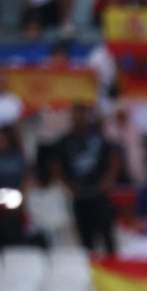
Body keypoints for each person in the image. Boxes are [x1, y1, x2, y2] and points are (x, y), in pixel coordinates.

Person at [59, 104, 120, 257]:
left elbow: (114, 158)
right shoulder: (65, 141)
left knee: (107, 237)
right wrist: (68, 185)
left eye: (82, 114)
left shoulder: (99, 138)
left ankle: (114, 273)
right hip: (80, 196)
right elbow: (57, 166)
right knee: (86, 241)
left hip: (99, 194)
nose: (79, 118)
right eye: (75, 114)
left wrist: (108, 180)